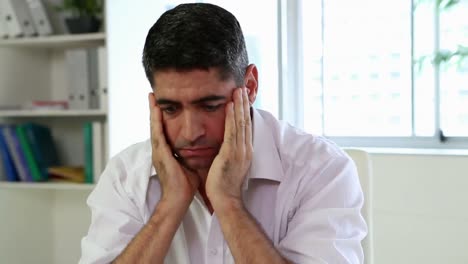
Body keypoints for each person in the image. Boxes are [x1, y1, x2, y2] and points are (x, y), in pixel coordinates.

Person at [79, 3, 367, 264]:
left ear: (250, 86)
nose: (191, 133)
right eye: (170, 109)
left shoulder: (323, 169)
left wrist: (228, 204)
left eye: (209, 106)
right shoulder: (126, 175)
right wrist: (169, 206)